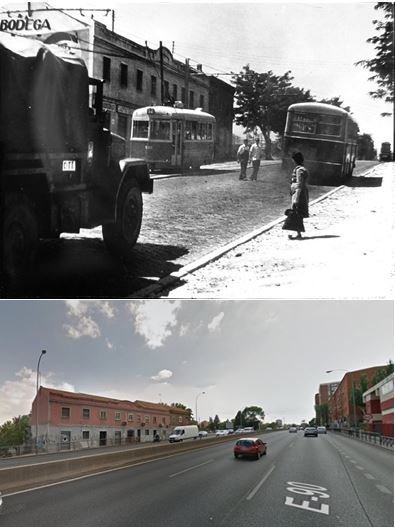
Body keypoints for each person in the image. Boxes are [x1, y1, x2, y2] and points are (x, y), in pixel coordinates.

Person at [282, 151, 309, 240]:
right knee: (298, 213)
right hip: (300, 193)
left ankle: (299, 234)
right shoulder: (302, 168)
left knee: (297, 212)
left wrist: (296, 199)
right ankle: (298, 233)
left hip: (299, 194)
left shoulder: (299, 170)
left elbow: (299, 185)